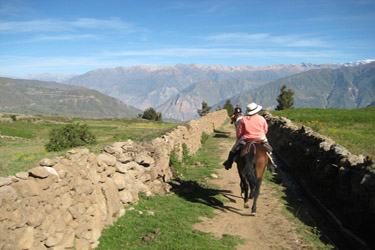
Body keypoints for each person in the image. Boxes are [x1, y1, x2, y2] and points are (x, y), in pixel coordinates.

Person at [223, 102, 273, 170]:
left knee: (233, 150)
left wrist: (238, 139)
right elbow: (265, 130)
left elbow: (239, 132)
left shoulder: (244, 119)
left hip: (246, 138)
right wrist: (260, 134)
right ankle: (271, 164)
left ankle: (229, 162)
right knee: (269, 150)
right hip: (260, 138)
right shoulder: (262, 119)